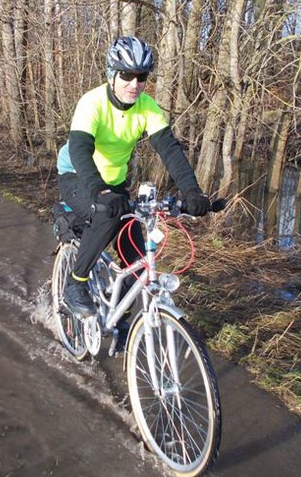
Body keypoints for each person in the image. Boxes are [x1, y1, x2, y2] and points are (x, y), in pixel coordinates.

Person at [57, 36, 210, 318]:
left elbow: (170, 150)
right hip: (77, 177)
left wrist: (192, 192)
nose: (134, 84)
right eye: (127, 75)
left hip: (115, 184)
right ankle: (75, 284)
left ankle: (122, 319)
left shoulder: (147, 106)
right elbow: (80, 150)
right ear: (112, 74)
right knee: (106, 215)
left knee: (137, 261)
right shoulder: (92, 103)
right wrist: (99, 191)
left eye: (141, 77)